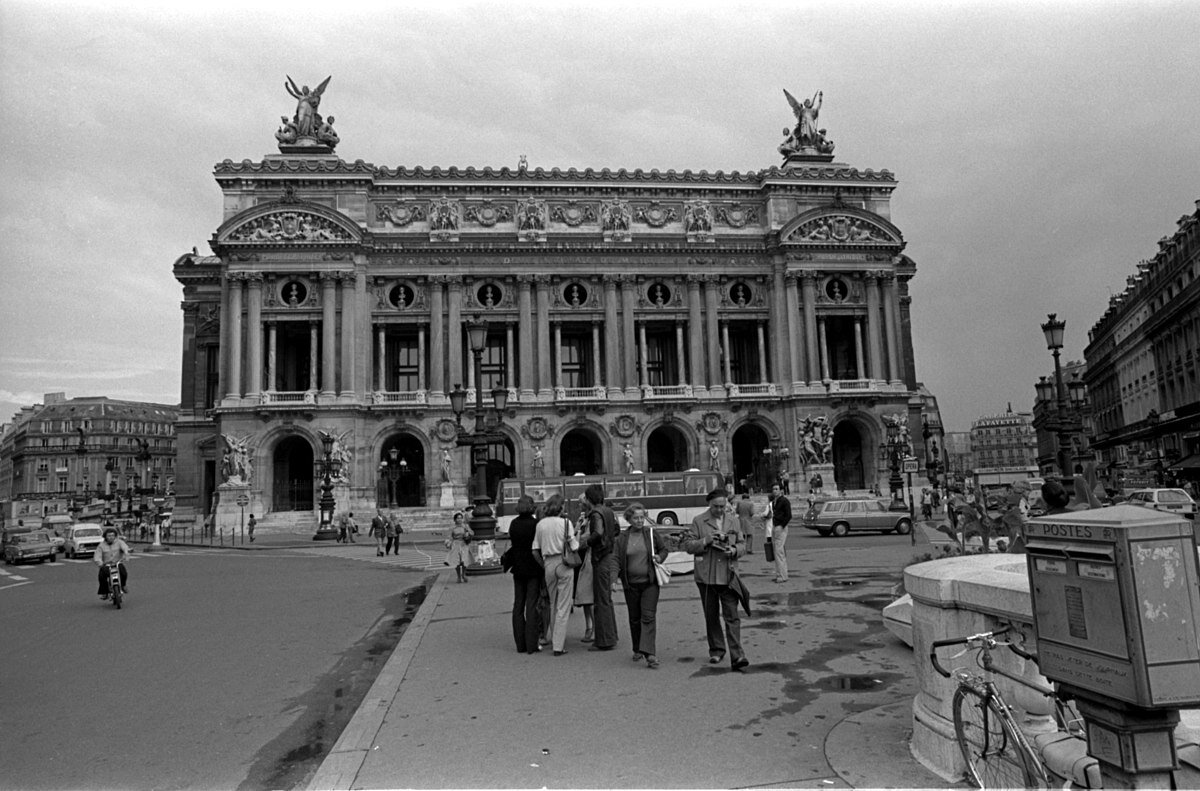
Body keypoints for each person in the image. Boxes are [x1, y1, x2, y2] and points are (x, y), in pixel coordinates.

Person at [683, 488, 748, 670]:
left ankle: (737, 655)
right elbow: (688, 546)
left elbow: (742, 544)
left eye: (722, 506)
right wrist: (706, 541)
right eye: (716, 506)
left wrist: (735, 550)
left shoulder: (733, 520)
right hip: (707, 577)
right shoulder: (699, 521)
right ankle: (717, 650)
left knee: (732, 616)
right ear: (709, 505)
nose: (720, 510)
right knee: (711, 616)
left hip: (728, 576)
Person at [616, 502, 669, 668]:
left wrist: (660, 558)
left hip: (649, 582)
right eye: (636, 518)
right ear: (629, 520)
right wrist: (613, 578)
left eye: (642, 517)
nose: (640, 521)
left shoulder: (651, 533)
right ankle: (637, 648)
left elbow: (663, 550)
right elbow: (616, 559)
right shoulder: (622, 538)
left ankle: (650, 654)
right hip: (630, 584)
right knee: (634, 618)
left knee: (648, 616)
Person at [532, 494, 577, 656]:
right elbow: (574, 545)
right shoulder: (566, 523)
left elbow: (535, 550)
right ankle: (559, 645)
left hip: (549, 563)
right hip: (564, 563)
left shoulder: (541, 524)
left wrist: (544, 565)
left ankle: (553, 638)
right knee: (563, 606)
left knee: (552, 603)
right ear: (561, 507)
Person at [581, 483, 620, 652]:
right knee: (606, 599)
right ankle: (611, 635)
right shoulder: (609, 511)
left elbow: (597, 532)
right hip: (608, 555)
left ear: (589, 499)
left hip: (600, 556)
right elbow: (616, 529)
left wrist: (585, 542)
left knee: (601, 600)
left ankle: (603, 640)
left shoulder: (596, 513)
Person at [507, 495, 543, 654]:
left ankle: (520, 644)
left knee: (518, 605)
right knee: (532, 605)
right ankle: (531, 644)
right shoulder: (536, 524)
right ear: (531, 507)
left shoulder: (513, 523)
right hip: (533, 568)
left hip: (518, 568)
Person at [572, 501, 595, 643]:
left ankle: (593, 628)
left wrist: (578, 534)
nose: (581, 509)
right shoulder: (583, 520)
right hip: (579, 560)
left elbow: (582, 540)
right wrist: (577, 528)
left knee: (589, 597)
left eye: (583, 506)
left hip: (588, 559)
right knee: (585, 599)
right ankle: (589, 626)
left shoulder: (593, 520)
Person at [94, 527, 130, 600]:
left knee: (123, 573)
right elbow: (97, 555)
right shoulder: (101, 546)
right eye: (109, 536)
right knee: (101, 576)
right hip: (106, 565)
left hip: (117, 563)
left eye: (113, 535)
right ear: (105, 537)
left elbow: (125, 548)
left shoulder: (119, 542)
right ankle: (104, 592)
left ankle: (123, 585)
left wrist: (126, 553)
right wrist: (100, 563)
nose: (111, 537)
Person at [769, 483, 793, 583]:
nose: (775, 491)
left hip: (780, 527)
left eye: (776, 489)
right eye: (773, 489)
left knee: (779, 551)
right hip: (775, 526)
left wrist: (781, 526)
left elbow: (789, 515)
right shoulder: (775, 501)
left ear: (781, 490)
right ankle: (780, 574)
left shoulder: (784, 501)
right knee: (777, 551)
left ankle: (782, 576)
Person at [444, 511, 474, 583]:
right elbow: (450, 537)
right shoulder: (452, 528)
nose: (460, 520)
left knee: (464, 561)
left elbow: (472, 533)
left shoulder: (465, 526)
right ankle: (458, 576)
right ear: (455, 520)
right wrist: (448, 543)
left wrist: (468, 533)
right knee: (457, 561)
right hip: (456, 544)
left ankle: (463, 574)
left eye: (461, 518)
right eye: (458, 518)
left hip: (464, 544)